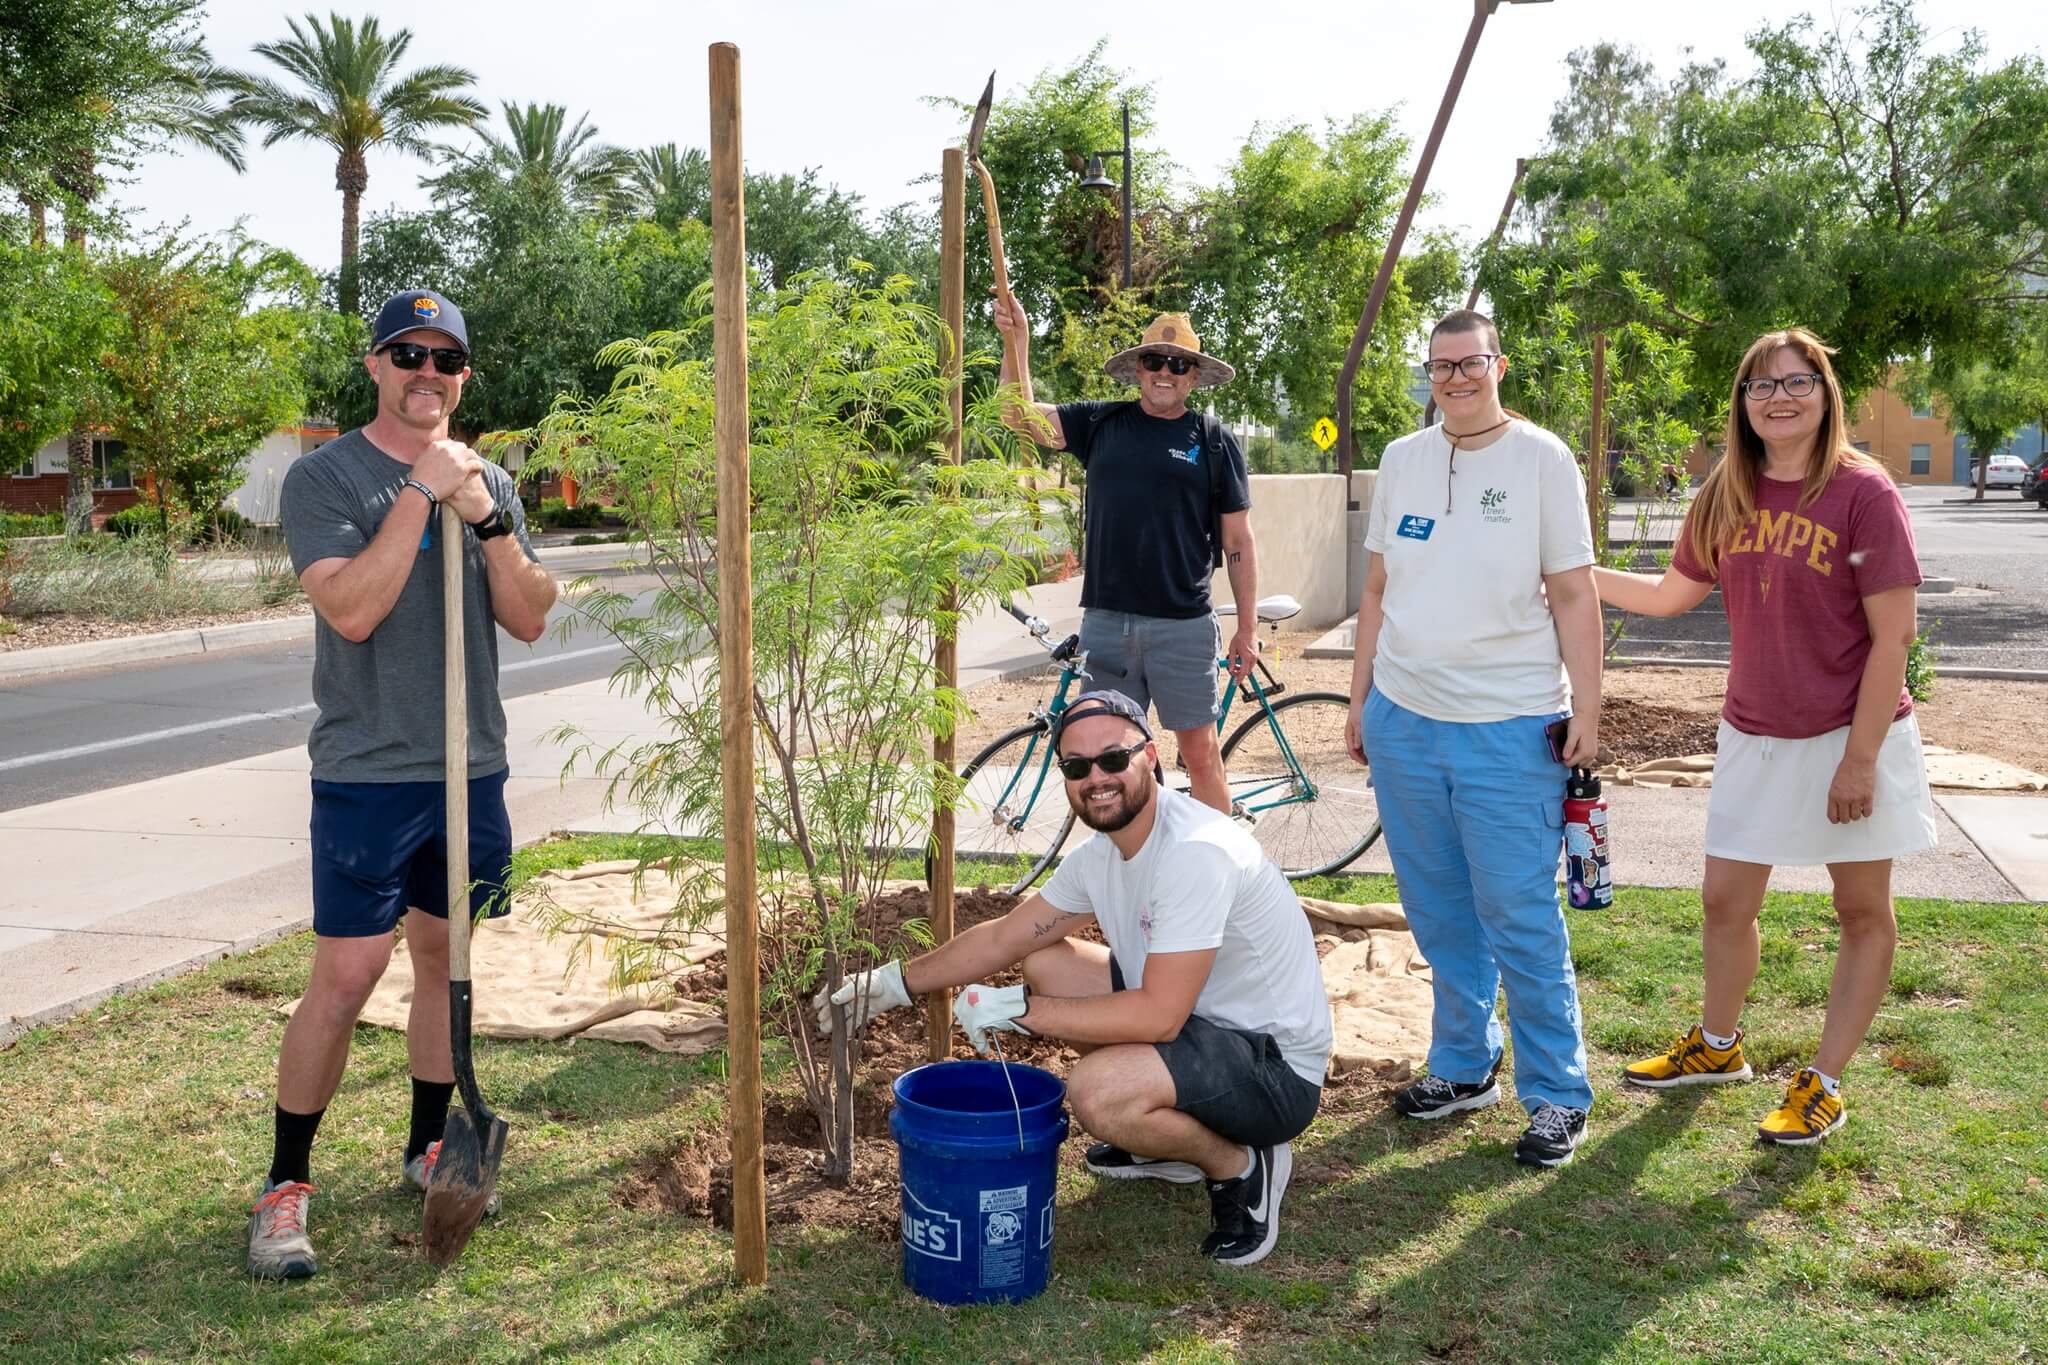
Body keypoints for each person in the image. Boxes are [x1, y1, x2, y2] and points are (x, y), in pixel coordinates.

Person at [247, 289, 559, 1279]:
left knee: (444, 958)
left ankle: (430, 1146)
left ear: (463, 376)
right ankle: (285, 1184)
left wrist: (486, 518)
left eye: (447, 361)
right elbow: (349, 609)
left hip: (471, 765)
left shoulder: (491, 481)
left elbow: (533, 615)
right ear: (376, 366)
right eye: (408, 355)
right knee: (345, 979)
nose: (429, 373)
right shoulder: (326, 477)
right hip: (370, 771)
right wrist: (422, 495)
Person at [819, 691, 1331, 1267]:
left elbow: (1159, 1015)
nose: (1097, 778)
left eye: (1113, 759)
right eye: (1076, 766)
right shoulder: (1102, 855)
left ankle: (1239, 1166)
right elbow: (1006, 938)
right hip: (1204, 1028)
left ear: (1152, 756)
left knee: (1097, 1092)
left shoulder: (1194, 851)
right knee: (1047, 964)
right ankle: (1166, 1138)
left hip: (1274, 1069)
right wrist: (892, 983)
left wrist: (1020, 1009)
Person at [1595, 327, 1934, 1146]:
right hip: (1754, 731)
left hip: (1852, 732)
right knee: (1724, 899)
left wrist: (1859, 761)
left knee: (1860, 909)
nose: (1778, 397)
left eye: (1797, 382)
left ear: (1826, 395)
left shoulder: (1864, 492)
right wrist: (1568, 578)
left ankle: (1823, 1081)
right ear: (1742, 404)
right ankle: (1718, 1047)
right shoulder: (1727, 490)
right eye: (1760, 385)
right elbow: (1674, 595)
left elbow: (1895, 638)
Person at [1342, 308, 1604, 1168]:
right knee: (1438, 910)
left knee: (1519, 912)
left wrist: (1589, 713)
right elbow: (1377, 588)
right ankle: (1463, 1064)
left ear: (1499, 365)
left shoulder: (1542, 459)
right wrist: (1361, 699)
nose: (1455, 378)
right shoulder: (1402, 459)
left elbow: (1573, 595)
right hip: (1406, 721)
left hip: (1509, 726)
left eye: (1470, 363)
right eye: (1440, 366)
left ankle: (1558, 1091)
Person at [991, 295, 1256, 814]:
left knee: (1199, 755)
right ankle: (1133, 878)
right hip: (1108, 625)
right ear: (1139, 369)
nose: (1165, 372)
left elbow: (1239, 542)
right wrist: (1015, 341)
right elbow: (1017, 416)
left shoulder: (1215, 442)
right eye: (1155, 361)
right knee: (1114, 758)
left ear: (1193, 376)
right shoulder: (1100, 424)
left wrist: (1247, 628)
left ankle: (1222, 879)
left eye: (1178, 364)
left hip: (1182, 625)